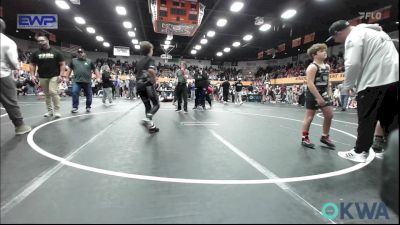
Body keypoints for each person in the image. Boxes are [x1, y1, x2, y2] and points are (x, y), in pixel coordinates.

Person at [327, 20, 399, 162]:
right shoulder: (378, 32)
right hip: (394, 79)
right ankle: (392, 152)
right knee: (390, 119)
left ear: (338, 32)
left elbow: (352, 63)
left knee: (366, 118)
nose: (337, 41)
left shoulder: (354, 36)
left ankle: (360, 152)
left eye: (335, 38)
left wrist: (347, 86)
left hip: (374, 82)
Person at [0, 18, 32, 135]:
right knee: (10, 102)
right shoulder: (7, 42)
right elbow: (14, 64)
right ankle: (20, 126)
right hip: (2, 75)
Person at [301, 43, 335, 149]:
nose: (325, 52)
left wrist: (329, 94)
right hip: (313, 93)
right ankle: (304, 138)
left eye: (325, 50)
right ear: (314, 55)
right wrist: (318, 97)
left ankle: (325, 136)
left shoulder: (327, 66)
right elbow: (310, 83)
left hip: (323, 92)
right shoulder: (312, 67)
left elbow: (328, 81)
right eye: (321, 51)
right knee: (310, 117)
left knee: (329, 115)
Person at [29, 34, 65, 118]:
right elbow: (32, 64)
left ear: (47, 41)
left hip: (54, 75)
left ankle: (57, 111)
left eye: (42, 40)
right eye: (38, 41)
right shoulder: (36, 53)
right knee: (47, 94)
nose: (40, 42)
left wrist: (61, 75)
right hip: (42, 76)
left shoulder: (56, 52)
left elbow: (62, 64)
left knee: (53, 91)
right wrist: (33, 75)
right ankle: (50, 111)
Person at [135, 41, 160, 133]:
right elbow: (151, 71)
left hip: (139, 86)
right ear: (150, 50)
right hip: (147, 85)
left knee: (147, 106)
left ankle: (151, 127)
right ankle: (148, 118)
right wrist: (155, 80)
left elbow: (137, 74)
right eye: (152, 49)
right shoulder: (150, 59)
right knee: (156, 104)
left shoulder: (139, 62)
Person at [66, 48, 100, 113]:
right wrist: (67, 77)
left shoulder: (89, 61)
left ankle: (88, 107)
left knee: (89, 94)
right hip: (77, 81)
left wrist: (98, 77)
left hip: (87, 81)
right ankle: (75, 107)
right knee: (74, 92)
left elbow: (95, 70)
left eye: (81, 52)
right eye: (78, 52)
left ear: (84, 53)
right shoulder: (73, 61)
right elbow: (69, 70)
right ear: (77, 53)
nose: (80, 53)